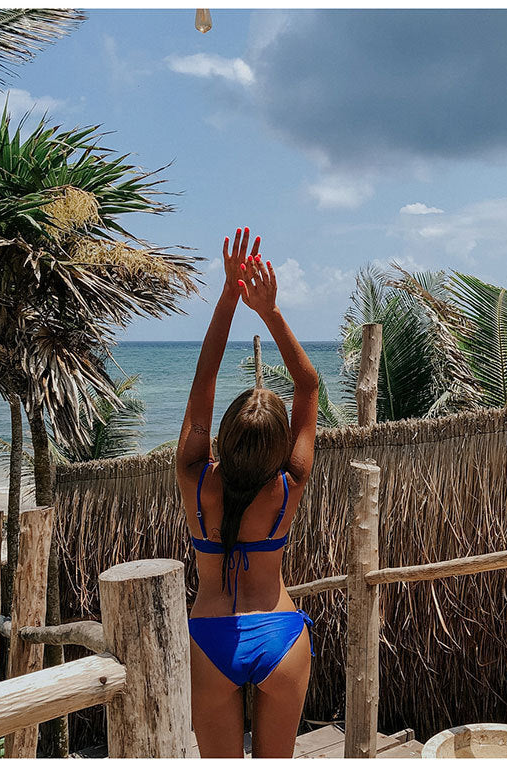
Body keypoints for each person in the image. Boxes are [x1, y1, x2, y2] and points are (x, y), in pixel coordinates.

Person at [175, 227, 320, 758]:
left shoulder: (196, 479)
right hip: (280, 633)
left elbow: (203, 381)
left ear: (225, 438)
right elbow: (308, 386)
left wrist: (229, 297)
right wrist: (269, 311)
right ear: (281, 446)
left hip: (210, 636)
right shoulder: (289, 485)